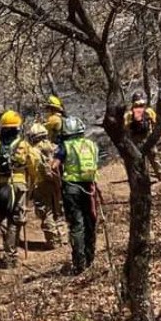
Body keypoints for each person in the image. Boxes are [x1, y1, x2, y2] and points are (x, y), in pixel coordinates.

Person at [0, 109, 38, 268]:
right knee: (14, 221)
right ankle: (10, 258)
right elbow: (33, 167)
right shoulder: (24, 145)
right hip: (18, 186)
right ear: (18, 128)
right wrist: (32, 181)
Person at [56, 115, 100, 274]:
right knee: (90, 223)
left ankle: (79, 263)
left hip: (71, 188)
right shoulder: (91, 144)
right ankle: (90, 258)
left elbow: (54, 166)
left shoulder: (64, 147)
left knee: (77, 225)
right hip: (90, 188)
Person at [26, 123, 64, 248]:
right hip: (57, 182)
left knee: (46, 211)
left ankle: (53, 241)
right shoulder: (54, 147)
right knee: (58, 209)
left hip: (41, 184)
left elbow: (32, 171)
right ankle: (62, 236)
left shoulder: (32, 151)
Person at [124, 93, 161, 179]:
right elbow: (155, 123)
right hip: (148, 137)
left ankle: (146, 178)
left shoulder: (129, 114)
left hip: (136, 140)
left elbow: (126, 128)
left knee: (142, 160)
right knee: (154, 158)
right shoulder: (149, 111)